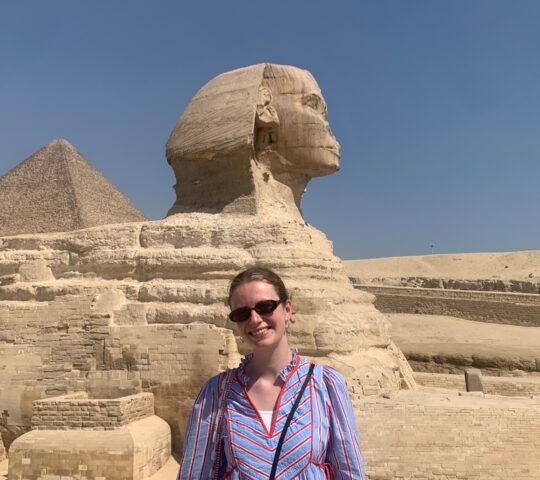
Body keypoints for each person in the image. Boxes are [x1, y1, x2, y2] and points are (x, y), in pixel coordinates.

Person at [177, 266, 366, 479]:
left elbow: (349, 471)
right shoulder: (216, 392)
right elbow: (195, 473)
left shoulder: (325, 384)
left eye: (265, 307)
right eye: (242, 313)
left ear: (287, 309)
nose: (255, 319)